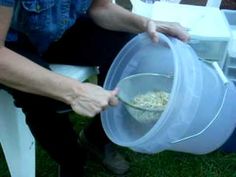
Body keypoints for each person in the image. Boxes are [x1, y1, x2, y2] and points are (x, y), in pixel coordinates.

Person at [0, 0, 189, 176]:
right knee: (42, 96)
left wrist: (146, 23)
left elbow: (102, 8)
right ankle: (71, 161)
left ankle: (97, 138)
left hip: (55, 30)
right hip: (10, 43)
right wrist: (74, 92)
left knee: (125, 43)